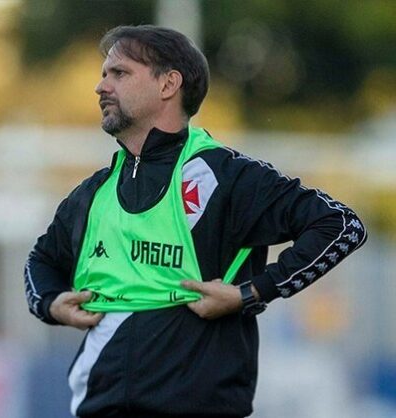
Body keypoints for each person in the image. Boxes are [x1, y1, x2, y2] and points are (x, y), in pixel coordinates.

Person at [23, 24, 367, 418]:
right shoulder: (92, 193)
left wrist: (251, 292)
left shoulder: (228, 176)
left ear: (169, 84)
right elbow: (42, 259)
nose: (101, 87)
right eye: (103, 75)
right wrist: (51, 304)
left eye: (118, 73)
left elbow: (341, 226)